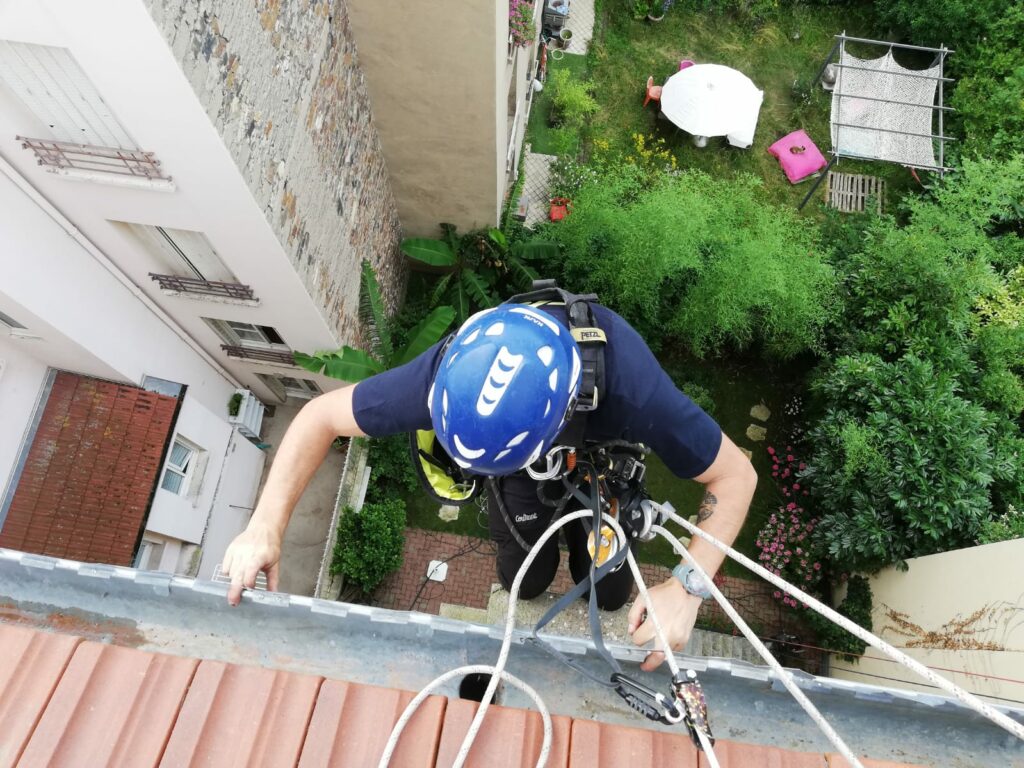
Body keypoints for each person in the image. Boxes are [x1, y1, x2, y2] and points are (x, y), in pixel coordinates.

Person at [222, 294, 756, 671]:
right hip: (521, 475)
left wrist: (687, 588)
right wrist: (265, 526)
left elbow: (735, 475)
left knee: (610, 585)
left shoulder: (632, 387)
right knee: (525, 572)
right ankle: (528, 565)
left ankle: (604, 586)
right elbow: (320, 417)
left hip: (603, 468)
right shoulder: (450, 373)